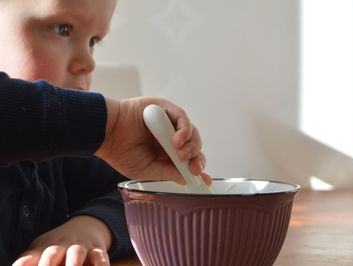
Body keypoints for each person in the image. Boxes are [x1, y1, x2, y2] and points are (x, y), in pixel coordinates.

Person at [0, 0, 211, 265]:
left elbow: (139, 195)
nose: (88, 62)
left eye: (93, 41)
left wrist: (90, 227)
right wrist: (112, 124)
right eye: (62, 29)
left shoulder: (62, 153)